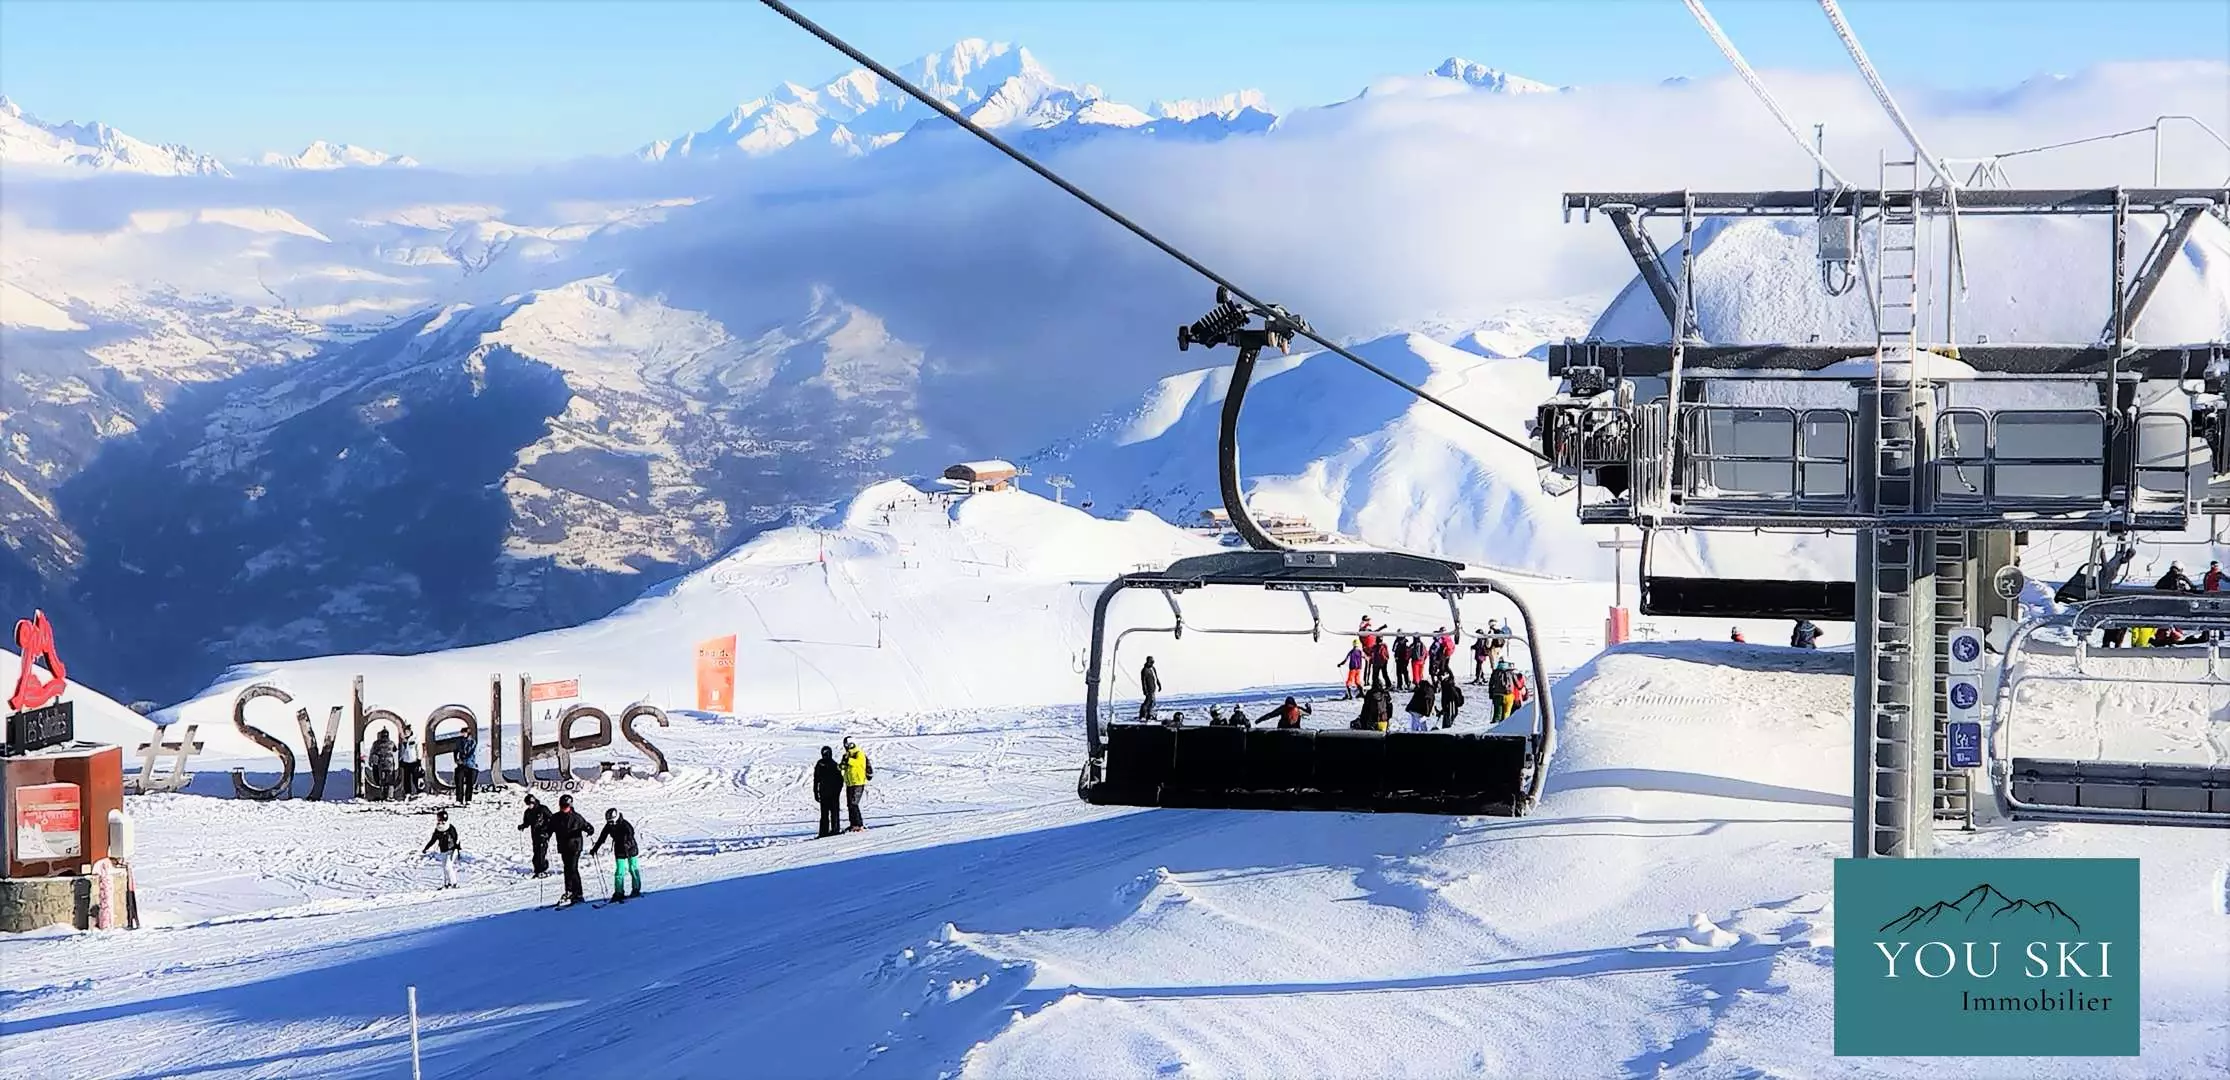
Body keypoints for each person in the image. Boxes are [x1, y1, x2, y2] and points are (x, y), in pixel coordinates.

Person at [550, 794, 596, 906]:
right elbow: (549, 829)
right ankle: (569, 891)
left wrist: (589, 830)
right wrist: (544, 836)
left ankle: (578, 894)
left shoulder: (576, 817)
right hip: (563, 847)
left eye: (566, 806)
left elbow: (587, 826)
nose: (564, 808)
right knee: (567, 869)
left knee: (573, 869)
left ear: (570, 806)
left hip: (575, 847)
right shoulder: (556, 818)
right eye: (562, 806)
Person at [590, 808, 642, 904]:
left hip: (630, 848)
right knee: (619, 871)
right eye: (609, 821)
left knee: (632, 868)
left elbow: (630, 834)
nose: (610, 823)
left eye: (611, 821)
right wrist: (595, 848)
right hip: (619, 849)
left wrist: (627, 842)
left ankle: (636, 889)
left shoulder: (625, 824)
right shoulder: (609, 826)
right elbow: (602, 837)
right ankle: (619, 892)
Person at [422, 809, 461, 889]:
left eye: (439, 818)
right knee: (445, 867)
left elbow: (456, 838)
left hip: (451, 850)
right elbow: (433, 840)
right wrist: (426, 848)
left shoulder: (450, 827)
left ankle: (454, 883)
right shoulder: (438, 829)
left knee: (448, 866)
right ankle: (447, 884)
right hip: (443, 850)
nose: (438, 820)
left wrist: (456, 848)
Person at [840, 736, 873, 832]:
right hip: (850, 782)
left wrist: (848, 760)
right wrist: (841, 765)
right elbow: (843, 767)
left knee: (854, 804)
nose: (845, 747)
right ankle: (853, 824)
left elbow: (858, 763)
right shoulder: (847, 755)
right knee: (850, 804)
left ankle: (859, 824)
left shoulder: (859, 753)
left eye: (847, 745)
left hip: (858, 782)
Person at [517, 793, 552, 876]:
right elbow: (527, 822)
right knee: (536, 852)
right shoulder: (528, 812)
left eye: (530, 803)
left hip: (544, 834)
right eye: (527, 804)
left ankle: (541, 870)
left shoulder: (542, 809)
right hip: (534, 835)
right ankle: (537, 869)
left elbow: (552, 819)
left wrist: (547, 830)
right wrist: (522, 826)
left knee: (541, 852)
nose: (529, 806)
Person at [813, 746, 845, 837]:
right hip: (826, 793)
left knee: (831, 813)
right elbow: (816, 779)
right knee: (827, 813)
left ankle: (832, 830)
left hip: (830, 793)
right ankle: (827, 831)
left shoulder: (832, 764)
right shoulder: (822, 764)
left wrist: (837, 792)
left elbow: (840, 780)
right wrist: (816, 792)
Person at [368, 729, 399, 800]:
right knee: (390, 780)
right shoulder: (391, 743)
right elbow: (395, 750)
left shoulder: (376, 744)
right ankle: (390, 795)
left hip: (381, 764)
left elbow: (372, 752)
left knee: (382, 780)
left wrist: (371, 761)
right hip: (390, 764)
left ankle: (383, 795)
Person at [453, 724, 479, 806]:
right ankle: (459, 799)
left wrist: (463, 760)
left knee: (469, 783)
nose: (462, 734)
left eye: (464, 732)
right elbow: (455, 751)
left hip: (470, 765)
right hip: (461, 765)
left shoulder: (472, 742)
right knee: (459, 782)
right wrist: (456, 759)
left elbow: (471, 754)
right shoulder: (459, 741)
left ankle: (468, 799)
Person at [397, 727, 423, 798]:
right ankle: (407, 792)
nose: (406, 733)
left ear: (410, 731)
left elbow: (419, 749)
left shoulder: (415, 738)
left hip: (414, 761)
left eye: (407, 731)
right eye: (405, 731)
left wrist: (419, 759)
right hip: (406, 762)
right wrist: (401, 759)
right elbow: (402, 751)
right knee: (406, 779)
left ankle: (419, 791)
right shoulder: (403, 740)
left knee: (416, 777)